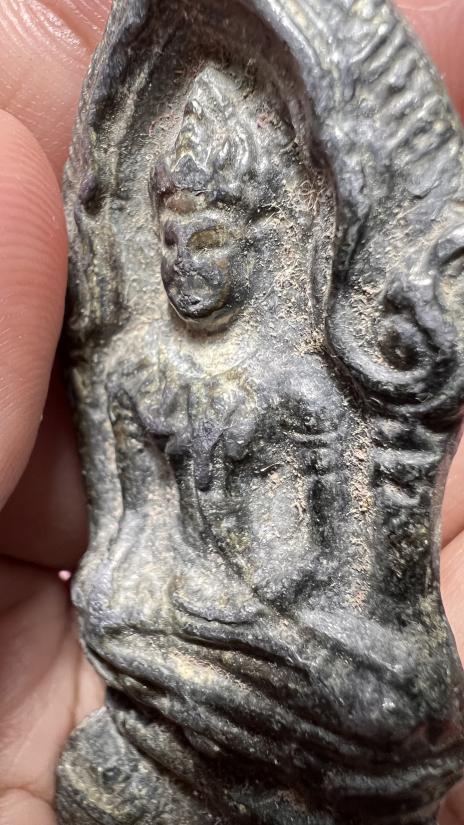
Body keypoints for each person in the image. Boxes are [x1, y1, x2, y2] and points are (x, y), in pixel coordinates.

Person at [0, 1, 463, 824]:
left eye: (207, 240)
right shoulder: (136, 372)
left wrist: (268, 611)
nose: (184, 265)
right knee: (110, 610)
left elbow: (345, 573)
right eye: (170, 241)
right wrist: (163, 591)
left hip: (284, 627)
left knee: (401, 697)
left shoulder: (302, 388)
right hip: (167, 617)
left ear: (256, 240)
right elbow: (127, 537)